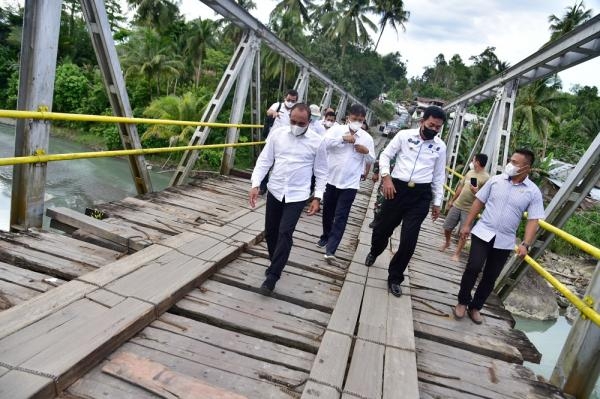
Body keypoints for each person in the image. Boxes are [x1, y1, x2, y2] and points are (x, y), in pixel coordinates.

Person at [364, 105, 447, 297]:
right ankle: (375, 250)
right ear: (422, 121)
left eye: (438, 128)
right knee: (381, 229)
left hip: (420, 196)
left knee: (409, 241)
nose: (434, 130)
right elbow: (385, 155)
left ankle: (395, 277)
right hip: (396, 189)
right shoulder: (404, 135)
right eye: (431, 125)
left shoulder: (440, 147)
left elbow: (438, 175)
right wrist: (386, 177)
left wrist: (437, 203)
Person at [453, 149, 544, 324]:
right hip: (483, 232)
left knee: (490, 276)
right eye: (511, 160)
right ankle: (462, 302)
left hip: (505, 240)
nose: (510, 164)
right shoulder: (495, 181)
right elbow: (479, 201)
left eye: (515, 162)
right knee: (473, 266)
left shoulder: (533, 192)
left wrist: (526, 244)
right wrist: (467, 225)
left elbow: (534, 219)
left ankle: (475, 307)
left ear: (527, 167)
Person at [249, 103, 328, 295]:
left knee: (285, 232)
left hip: (298, 194)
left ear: (309, 122)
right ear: (289, 118)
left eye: (301, 123)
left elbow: (321, 172)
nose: (296, 126)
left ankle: (273, 277)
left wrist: (317, 197)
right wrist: (255, 183)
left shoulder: (317, 142)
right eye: (293, 121)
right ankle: (275, 261)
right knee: (271, 232)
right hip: (275, 190)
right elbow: (265, 160)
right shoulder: (278, 135)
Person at [317, 104, 375, 264]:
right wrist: (342, 139)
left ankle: (331, 249)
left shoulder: (367, 138)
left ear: (364, 121)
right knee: (328, 211)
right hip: (331, 179)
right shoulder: (336, 130)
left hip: (350, 183)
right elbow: (323, 145)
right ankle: (325, 235)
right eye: (355, 119)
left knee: (341, 216)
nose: (357, 122)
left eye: (361, 120)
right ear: (349, 117)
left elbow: (372, 159)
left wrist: (366, 152)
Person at [441, 153, 490, 261]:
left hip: (469, 209)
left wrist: (476, 191)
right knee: (447, 227)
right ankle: (447, 242)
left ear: (477, 162)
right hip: (458, 204)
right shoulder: (469, 172)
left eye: (473, 160)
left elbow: (486, 196)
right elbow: (460, 187)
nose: (472, 162)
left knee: (463, 232)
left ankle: (457, 254)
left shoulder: (487, 178)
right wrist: (452, 201)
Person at [260, 89, 299, 194]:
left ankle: (275, 188)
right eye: (289, 99)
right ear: (285, 98)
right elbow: (269, 111)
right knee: (267, 163)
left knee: (280, 165)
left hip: (287, 143)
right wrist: (273, 112)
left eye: (293, 101)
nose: (290, 102)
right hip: (272, 141)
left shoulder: (296, 110)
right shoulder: (278, 105)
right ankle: (262, 187)